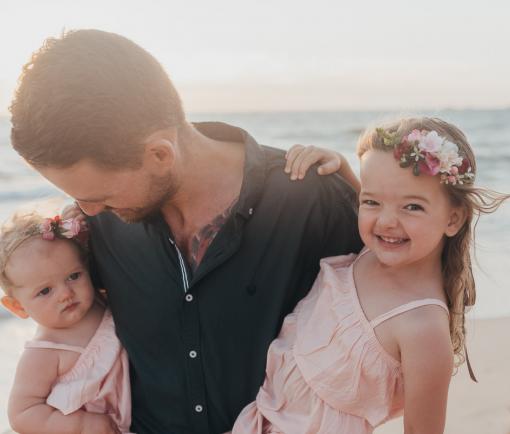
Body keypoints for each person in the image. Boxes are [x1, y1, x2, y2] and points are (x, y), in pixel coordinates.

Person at [9, 29, 362, 433]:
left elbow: (406, 313)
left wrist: (363, 195)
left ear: (160, 153)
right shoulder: (95, 227)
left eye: (100, 195)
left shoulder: (309, 200)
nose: (87, 211)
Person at [228, 117, 510, 434]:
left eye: (413, 207)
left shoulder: (423, 327)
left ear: (453, 219)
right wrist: (340, 169)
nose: (386, 222)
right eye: (372, 202)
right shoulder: (371, 251)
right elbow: (380, 200)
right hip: (258, 419)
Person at [0, 212, 130, 434]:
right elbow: (22, 413)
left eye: (73, 276)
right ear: (17, 307)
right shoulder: (45, 353)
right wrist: (81, 425)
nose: (65, 294)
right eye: (45, 291)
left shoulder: (99, 302)